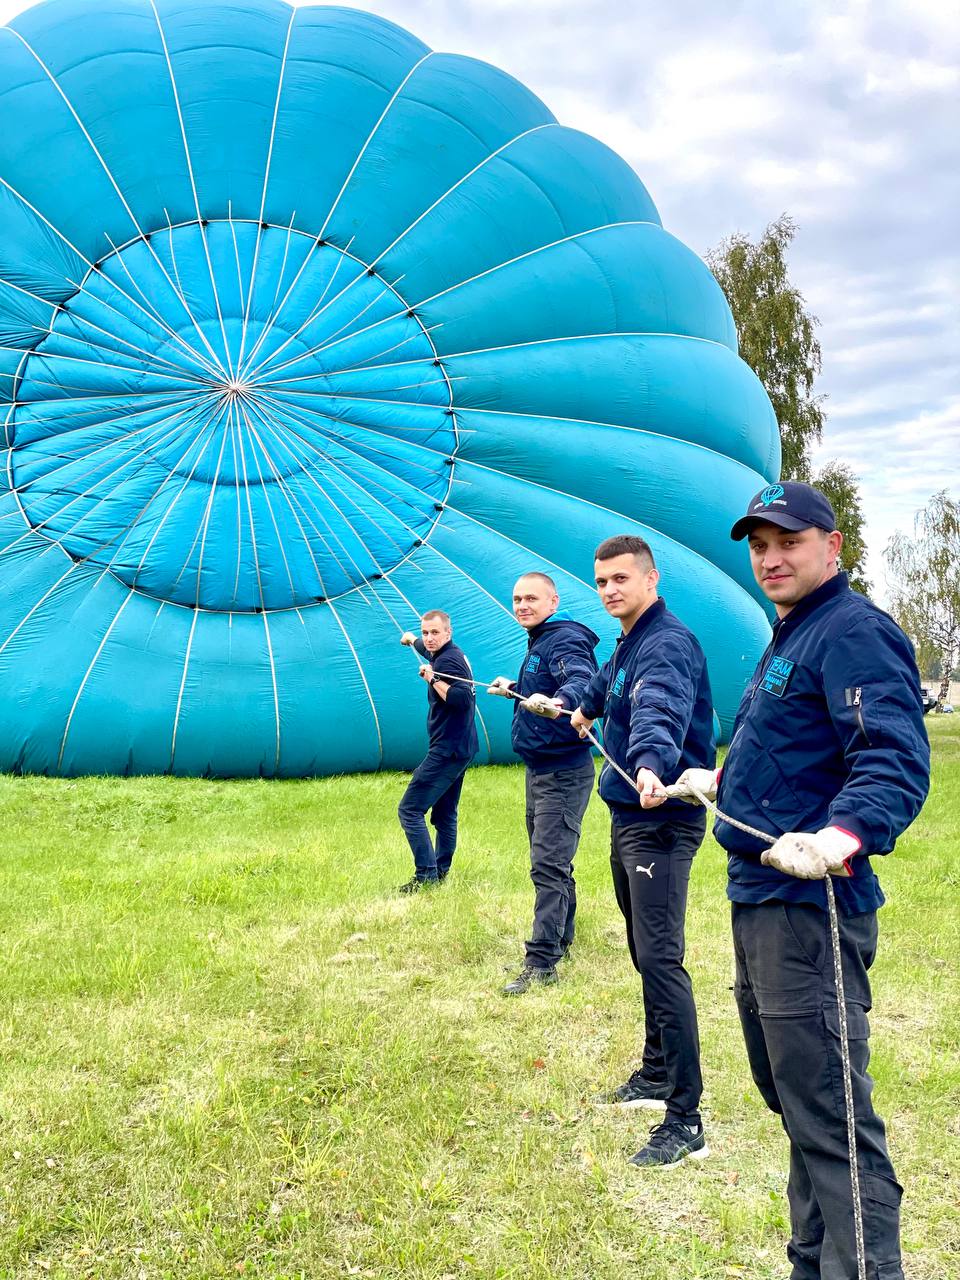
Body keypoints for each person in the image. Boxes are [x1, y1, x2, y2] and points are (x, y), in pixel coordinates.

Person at [667, 481, 930, 1279]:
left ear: (832, 544)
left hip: (810, 906)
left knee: (835, 1123)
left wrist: (839, 835)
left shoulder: (853, 631)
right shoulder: (792, 634)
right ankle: (812, 1265)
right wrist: (723, 782)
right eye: (759, 545)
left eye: (789, 540)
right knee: (798, 1103)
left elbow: (890, 757)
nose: (771, 558)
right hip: (760, 900)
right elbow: (798, 745)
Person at [569, 534, 716, 1169]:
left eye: (621, 580)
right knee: (641, 948)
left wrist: (654, 762)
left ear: (651, 580)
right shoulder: (631, 639)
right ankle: (656, 1070)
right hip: (629, 815)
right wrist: (580, 706)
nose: (610, 591)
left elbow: (661, 706)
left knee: (661, 958)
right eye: (601, 582)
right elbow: (611, 685)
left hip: (661, 818)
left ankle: (686, 1120)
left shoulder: (667, 643)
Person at [486, 572, 600, 995]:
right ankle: (562, 937)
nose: (522, 606)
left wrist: (562, 702)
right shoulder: (540, 639)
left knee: (548, 864)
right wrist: (516, 689)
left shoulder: (564, 638)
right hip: (540, 769)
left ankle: (541, 962)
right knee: (553, 859)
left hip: (563, 773)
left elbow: (580, 679)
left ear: (553, 601)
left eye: (531, 598)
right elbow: (546, 683)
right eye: (516, 599)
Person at [397, 610, 478, 893]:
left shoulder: (448, 661)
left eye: (434, 633)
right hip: (461, 746)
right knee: (444, 814)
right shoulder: (444, 652)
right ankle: (440, 871)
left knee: (409, 809)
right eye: (425, 632)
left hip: (448, 750)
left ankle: (426, 874)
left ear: (448, 633)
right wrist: (411, 640)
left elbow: (462, 699)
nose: (428, 638)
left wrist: (431, 679)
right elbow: (426, 647)